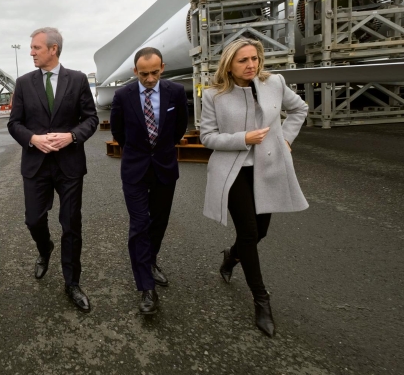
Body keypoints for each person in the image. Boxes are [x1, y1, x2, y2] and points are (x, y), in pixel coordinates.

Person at [200, 38, 308, 337]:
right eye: (242, 61)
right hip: (232, 172)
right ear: (229, 65)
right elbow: (207, 136)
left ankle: (231, 256)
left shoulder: (274, 83)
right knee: (249, 231)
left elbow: (299, 109)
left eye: (254, 59)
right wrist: (243, 138)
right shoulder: (213, 95)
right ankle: (261, 300)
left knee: (260, 232)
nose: (251, 65)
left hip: (268, 167)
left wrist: (284, 139)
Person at [7, 27, 99, 312]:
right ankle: (44, 248)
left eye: (36, 48)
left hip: (69, 165)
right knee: (33, 220)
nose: (31, 52)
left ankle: (72, 282)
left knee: (71, 224)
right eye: (31, 48)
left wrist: (71, 136)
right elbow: (14, 123)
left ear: (53, 49)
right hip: (36, 165)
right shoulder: (23, 83)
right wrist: (32, 139)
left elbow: (91, 119)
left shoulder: (78, 79)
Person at [110, 47, 189, 315]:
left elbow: (179, 127)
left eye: (155, 72)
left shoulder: (175, 93)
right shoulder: (123, 95)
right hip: (134, 169)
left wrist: (161, 150)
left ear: (162, 68)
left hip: (165, 167)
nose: (150, 78)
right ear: (135, 72)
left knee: (159, 221)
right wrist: (139, 152)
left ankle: (151, 260)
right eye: (144, 74)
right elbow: (119, 131)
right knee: (140, 224)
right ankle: (146, 287)